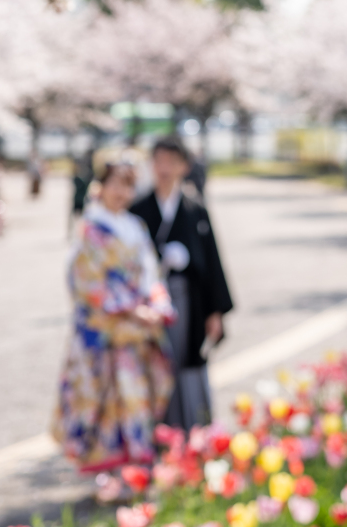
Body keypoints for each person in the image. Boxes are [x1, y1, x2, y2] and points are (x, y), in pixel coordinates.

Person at [53, 155, 174, 472]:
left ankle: (133, 468)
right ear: (101, 185)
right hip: (105, 331)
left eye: (129, 184)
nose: (122, 192)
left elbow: (150, 272)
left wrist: (156, 302)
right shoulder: (90, 229)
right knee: (103, 400)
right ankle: (108, 471)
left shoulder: (135, 225)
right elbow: (85, 281)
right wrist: (134, 309)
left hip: (135, 329)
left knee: (136, 396)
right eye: (116, 183)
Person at [131, 135, 233, 430]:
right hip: (149, 303)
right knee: (154, 363)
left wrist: (216, 312)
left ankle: (192, 428)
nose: (164, 168)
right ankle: (157, 431)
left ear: (184, 166)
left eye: (171, 162)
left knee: (188, 359)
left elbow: (213, 260)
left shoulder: (194, 208)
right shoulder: (138, 210)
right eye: (158, 161)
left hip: (189, 298)